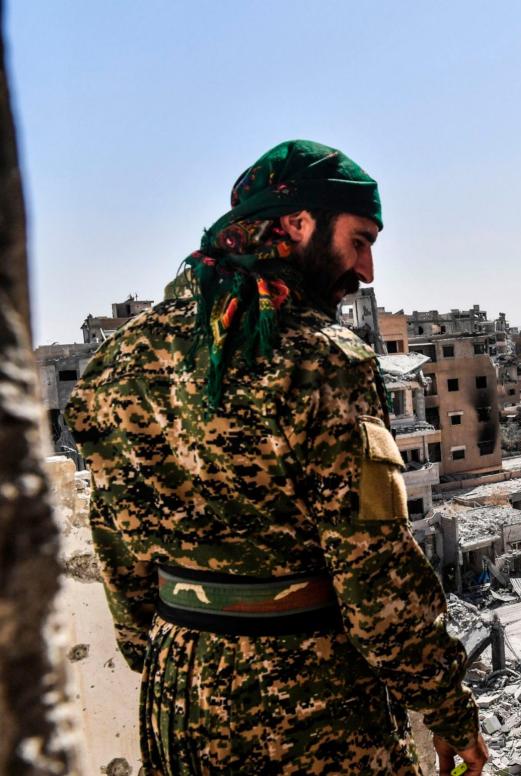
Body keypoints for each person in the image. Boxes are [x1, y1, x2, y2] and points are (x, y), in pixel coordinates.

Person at [64, 140, 487, 775]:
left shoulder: (115, 364)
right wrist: (447, 706)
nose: (367, 270)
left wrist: (171, 655)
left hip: (178, 691)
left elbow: (116, 546)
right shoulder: (324, 360)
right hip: (311, 700)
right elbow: (374, 574)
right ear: (296, 224)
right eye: (360, 239)